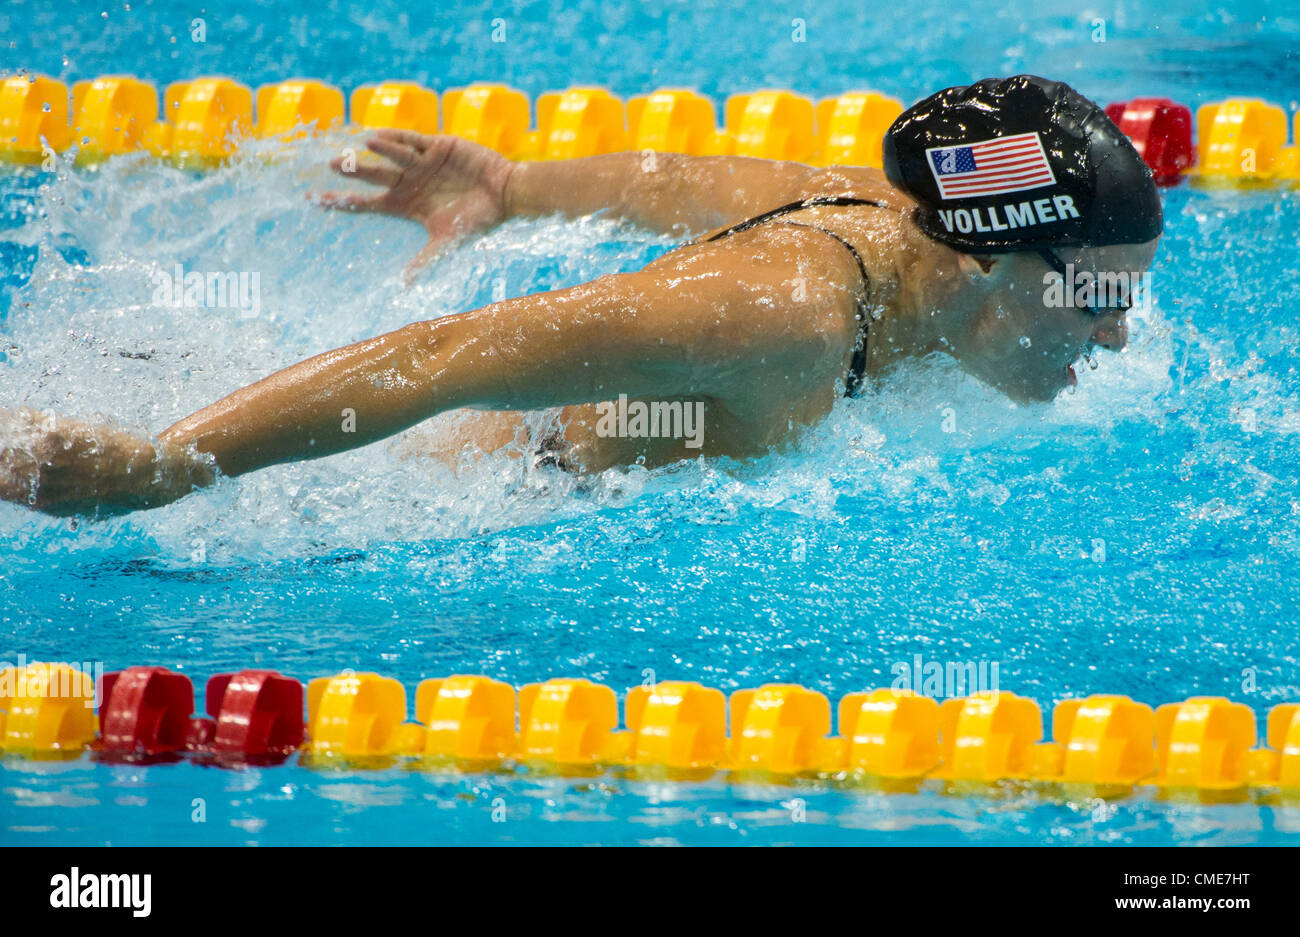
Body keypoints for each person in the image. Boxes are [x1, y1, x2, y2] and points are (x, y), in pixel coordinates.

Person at [0, 75, 1161, 516]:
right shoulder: (780, 317)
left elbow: (679, 177)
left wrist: (510, 187)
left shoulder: (897, 225)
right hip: (435, 480)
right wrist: (172, 466)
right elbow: (441, 356)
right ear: (990, 261)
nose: (1117, 336)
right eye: (1100, 295)